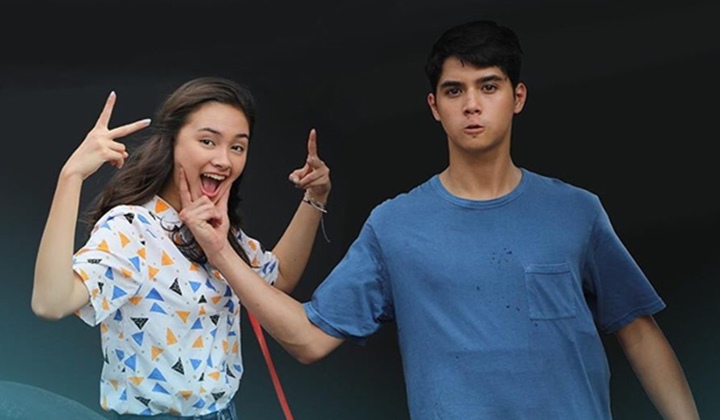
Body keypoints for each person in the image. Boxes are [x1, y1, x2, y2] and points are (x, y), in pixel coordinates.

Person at [157, 22, 700, 419]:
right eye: (454, 90)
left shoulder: (576, 211)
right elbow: (307, 339)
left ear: (517, 97)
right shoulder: (395, 226)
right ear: (434, 106)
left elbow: (639, 332)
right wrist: (220, 251)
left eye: (489, 86)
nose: (472, 105)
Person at [31, 76, 332, 419]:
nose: (224, 160)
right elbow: (50, 303)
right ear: (172, 141)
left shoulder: (218, 231)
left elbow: (278, 280)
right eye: (208, 141)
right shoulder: (134, 227)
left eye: (237, 147)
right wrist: (71, 177)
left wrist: (315, 197)